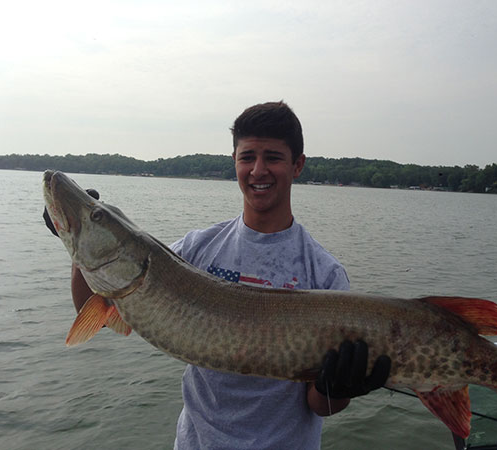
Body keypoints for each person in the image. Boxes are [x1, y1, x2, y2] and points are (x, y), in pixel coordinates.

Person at [46, 101, 390, 449]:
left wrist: (339, 388)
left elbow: (320, 405)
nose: (258, 170)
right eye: (247, 157)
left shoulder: (325, 275)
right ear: (235, 163)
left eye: (272, 157)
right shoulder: (195, 251)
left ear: (297, 165)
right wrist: (77, 249)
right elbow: (99, 315)